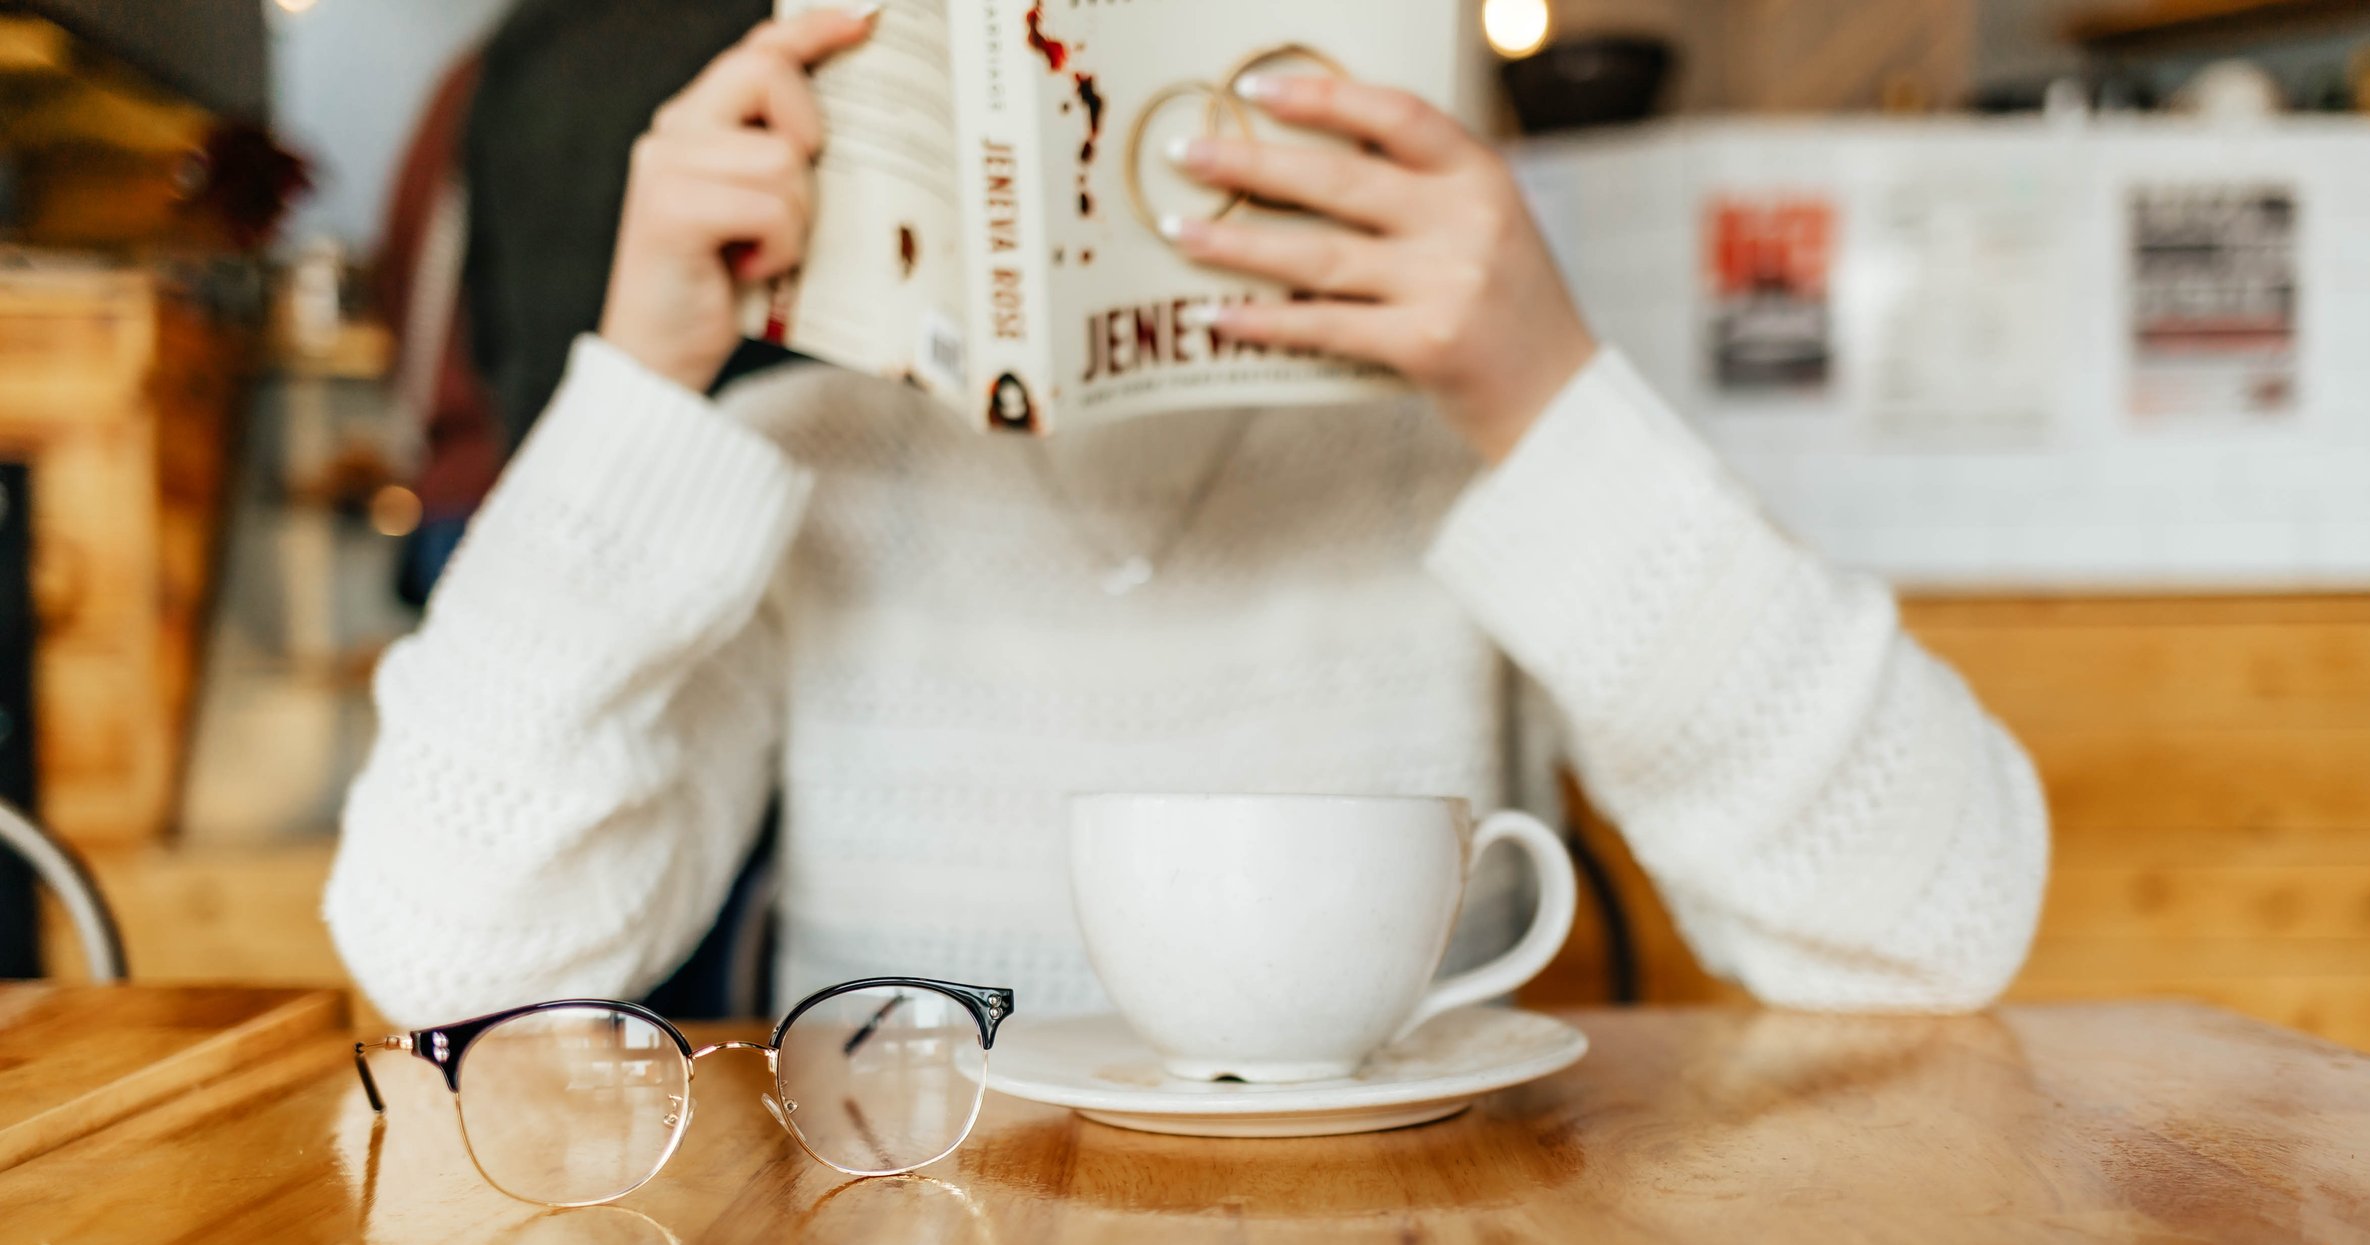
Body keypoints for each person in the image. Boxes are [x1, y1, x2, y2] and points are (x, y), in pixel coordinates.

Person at [326, 11, 2049, 1026]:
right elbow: (449, 954)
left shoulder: (1473, 437)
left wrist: (1547, 394)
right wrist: (640, 386)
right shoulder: (806, 453)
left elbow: (1934, 921)